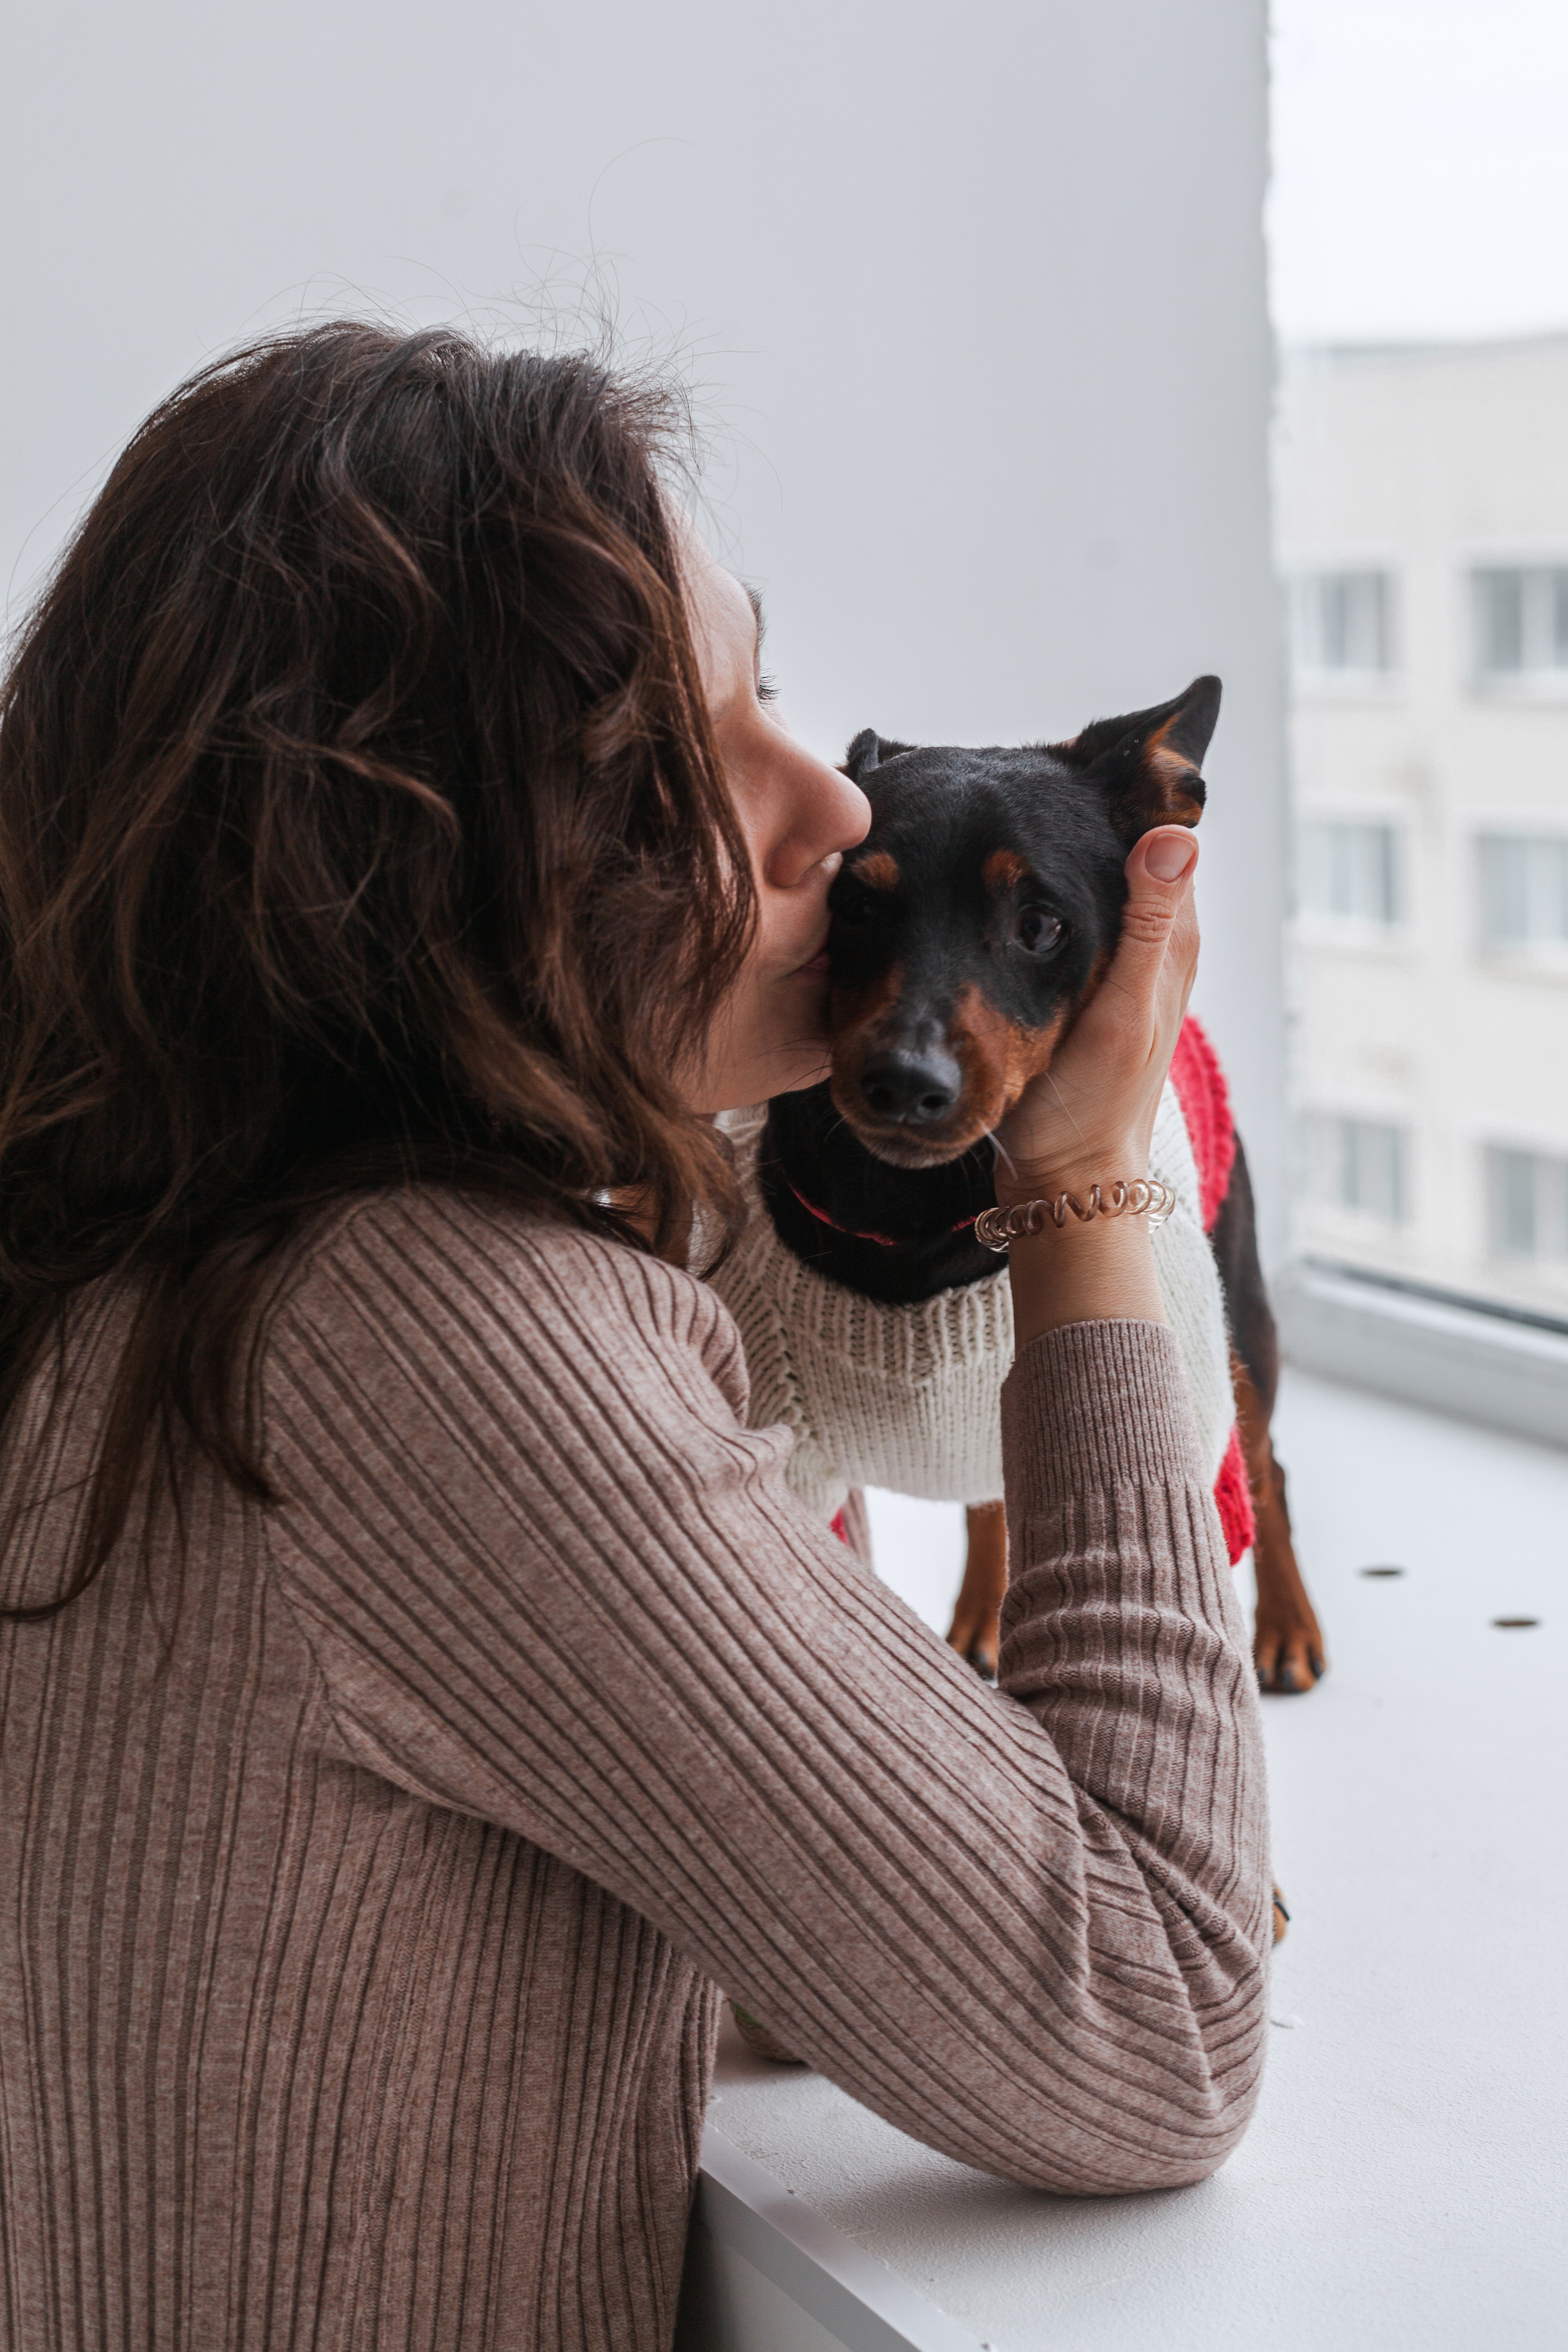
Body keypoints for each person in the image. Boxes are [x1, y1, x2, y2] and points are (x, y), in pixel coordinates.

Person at [0, 323, 1270, 2352]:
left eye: (764, 689)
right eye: (678, 767)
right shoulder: (442, 1344)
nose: (830, 816)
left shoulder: (136, 1246)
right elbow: (1158, 2018)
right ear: (386, 879)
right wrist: (1098, 1177)